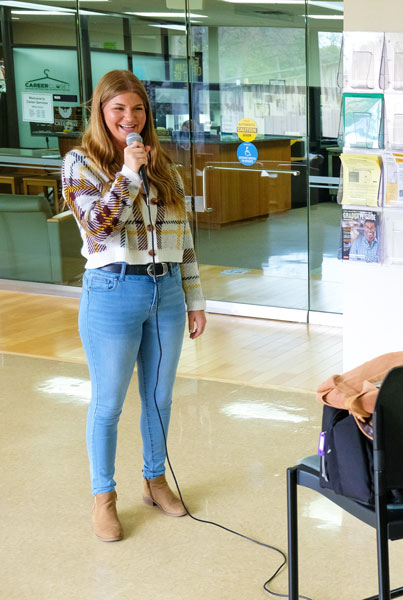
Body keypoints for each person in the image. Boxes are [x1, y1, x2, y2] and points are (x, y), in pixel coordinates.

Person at [61, 70, 207, 542]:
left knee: (160, 399)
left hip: (164, 293)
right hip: (111, 290)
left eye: (138, 109)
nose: (130, 117)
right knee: (108, 404)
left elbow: (183, 240)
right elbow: (101, 227)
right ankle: (103, 498)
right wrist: (127, 171)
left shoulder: (164, 167)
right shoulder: (80, 164)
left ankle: (154, 480)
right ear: (101, 112)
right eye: (118, 108)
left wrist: (194, 298)